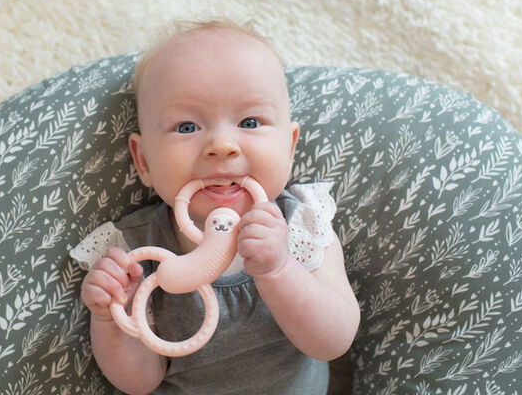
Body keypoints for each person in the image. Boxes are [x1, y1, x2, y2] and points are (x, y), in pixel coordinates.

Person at [72, 20, 360, 394]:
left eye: (250, 122)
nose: (222, 145)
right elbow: (140, 381)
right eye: (187, 127)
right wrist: (112, 318)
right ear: (143, 161)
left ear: (289, 148)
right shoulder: (135, 254)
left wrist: (278, 269)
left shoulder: (302, 224)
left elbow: (333, 341)